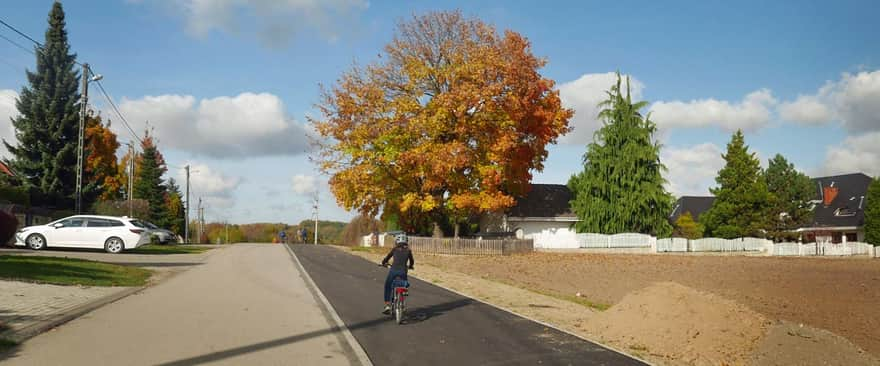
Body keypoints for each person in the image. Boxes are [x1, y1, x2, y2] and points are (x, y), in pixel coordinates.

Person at [381, 233, 414, 314]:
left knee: (388, 285)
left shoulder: (394, 249)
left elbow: (387, 257)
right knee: (404, 284)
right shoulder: (408, 251)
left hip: (393, 271)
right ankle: (403, 299)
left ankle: (388, 305)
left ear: (397, 241)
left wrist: (384, 263)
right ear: (406, 241)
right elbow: (412, 261)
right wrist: (411, 266)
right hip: (403, 271)